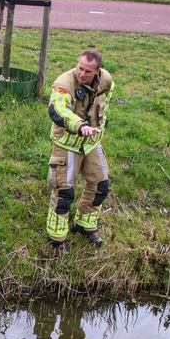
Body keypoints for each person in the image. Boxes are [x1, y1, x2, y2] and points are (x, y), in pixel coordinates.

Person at [45, 48, 114, 255]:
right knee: (64, 192)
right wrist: (80, 125)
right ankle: (57, 240)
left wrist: (98, 125)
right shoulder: (64, 83)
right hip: (68, 143)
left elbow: (105, 104)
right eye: (80, 68)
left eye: (87, 71)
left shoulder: (107, 81)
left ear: (97, 71)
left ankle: (85, 226)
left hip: (91, 142)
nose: (82, 73)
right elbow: (58, 110)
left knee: (101, 185)